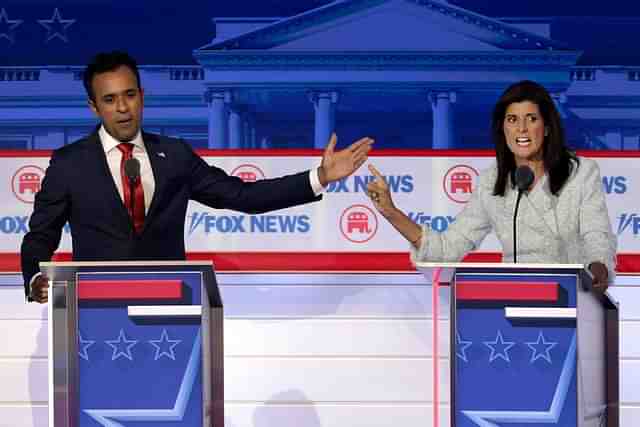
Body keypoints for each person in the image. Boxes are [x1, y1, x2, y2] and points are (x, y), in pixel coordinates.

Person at [22, 50, 373, 303]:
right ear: (94, 107)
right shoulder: (70, 164)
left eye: (130, 95)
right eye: (110, 99)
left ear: (143, 97)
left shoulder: (174, 155)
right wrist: (36, 276)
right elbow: (41, 234)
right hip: (95, 309)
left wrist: (319, 176)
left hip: (169, 306)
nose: (123, 108)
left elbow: (243, 197)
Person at [366, 80, 616, 291]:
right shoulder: (491, 182)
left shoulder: (581, 172)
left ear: (547, 127)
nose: (521, 128)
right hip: (513, 302)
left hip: (573, 300)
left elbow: (597, 235)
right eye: (512, 119)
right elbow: (446, 249)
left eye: (531, 119)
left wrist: (598, 265)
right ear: (503, 129)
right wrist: (391, 212)